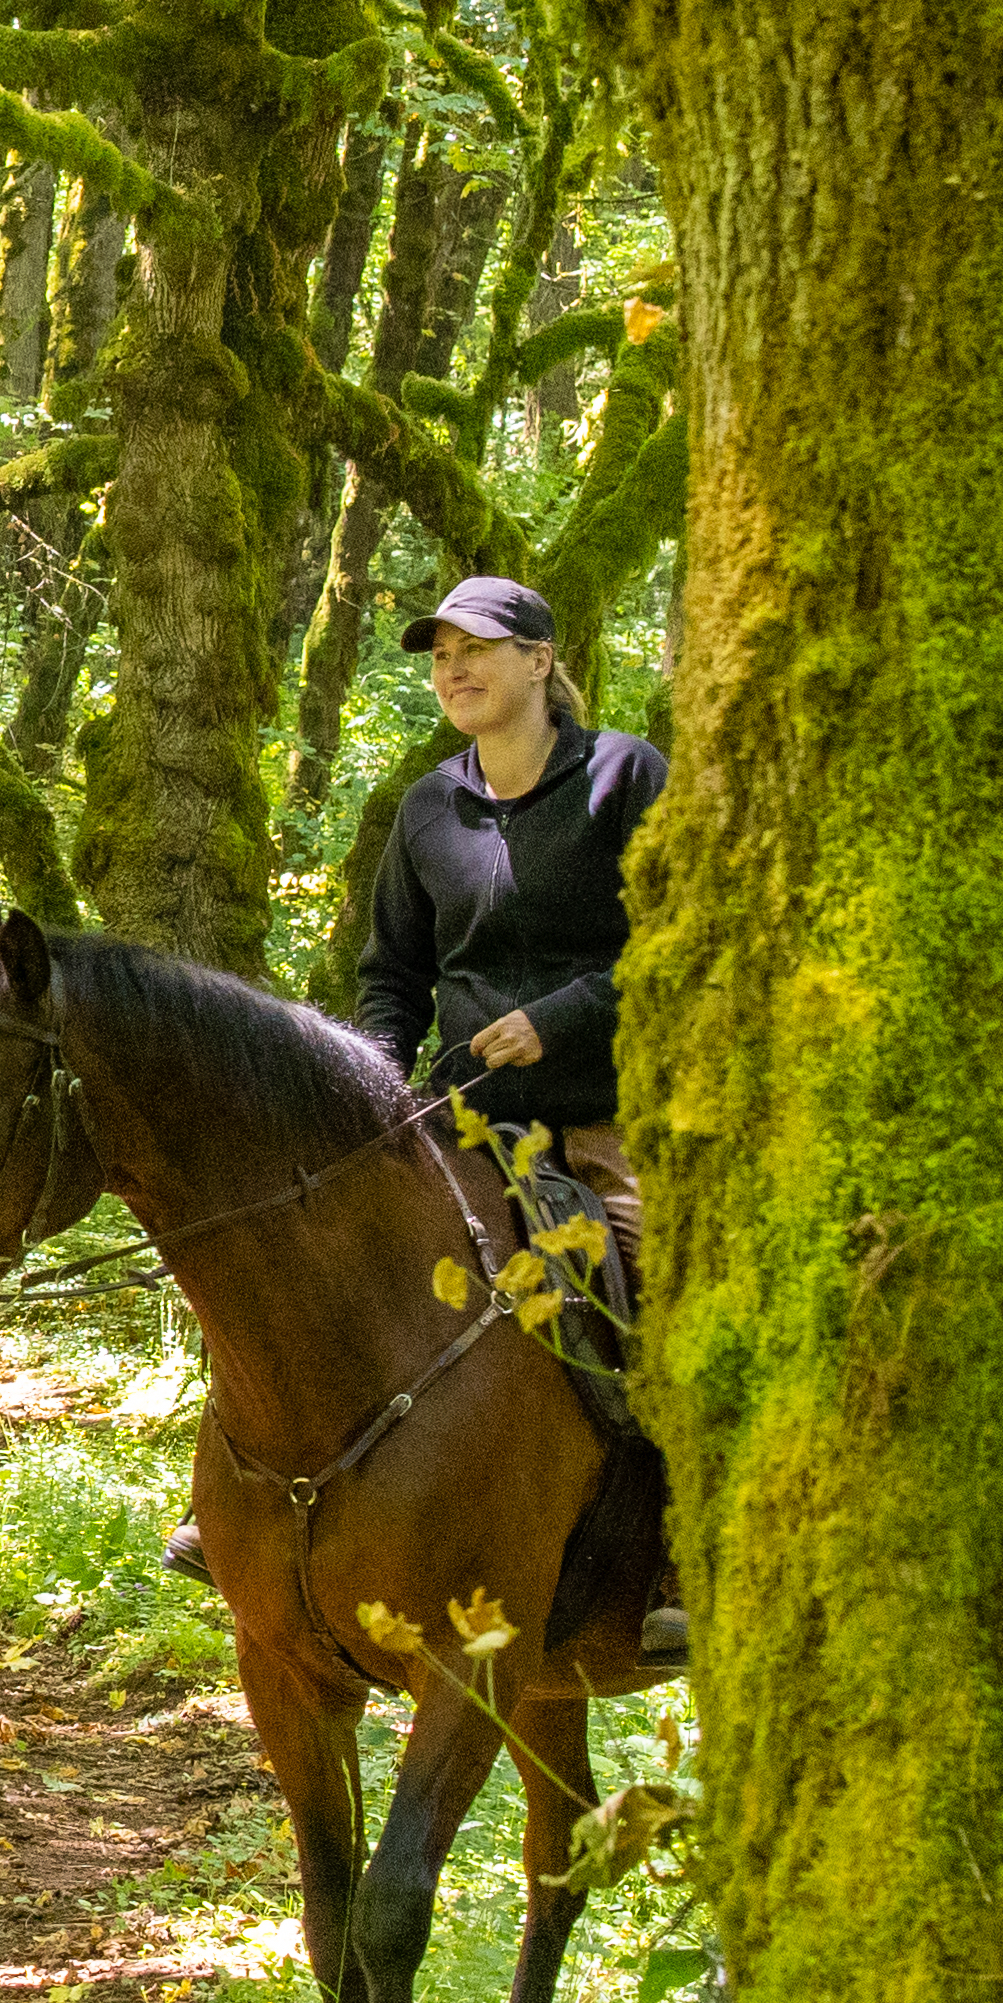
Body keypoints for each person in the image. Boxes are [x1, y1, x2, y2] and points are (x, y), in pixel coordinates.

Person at [343, 568, 678, 1660]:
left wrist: (565, 1018)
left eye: (476, 648)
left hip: (606, 1115)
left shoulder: (627, 775)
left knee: (661, 1290)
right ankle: (251, 1510)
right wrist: (379, 1089)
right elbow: (391, 973)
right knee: (329, 1263)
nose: (454, 670)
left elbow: (684, 933)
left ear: (541, 659)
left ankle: (678, 1562)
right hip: (461, 1122)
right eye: (440, 655)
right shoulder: (428, 807)